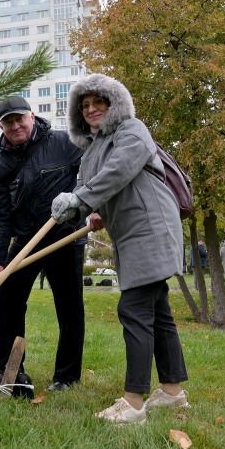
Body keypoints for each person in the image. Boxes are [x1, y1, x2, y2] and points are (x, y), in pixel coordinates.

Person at [52, 73, 188, 425]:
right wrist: (84, 209)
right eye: (84, 105)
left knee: (134, 309)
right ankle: (173, 394)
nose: (92, 109)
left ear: (114, 104)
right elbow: (88, 187)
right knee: (158, 312)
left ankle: (133, 404)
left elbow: (121, 169)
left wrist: (82, 198)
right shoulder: (91, 150)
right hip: (128, 233)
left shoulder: (132, 129)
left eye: (99, 102)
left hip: (151, 227)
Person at [0, 96, 88, 393]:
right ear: (1, 126)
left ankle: (66, 377)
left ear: (31, 116)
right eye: (8, 122)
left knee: (69, 308)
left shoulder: (63, 142)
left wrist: (82, 201)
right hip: (26, 241)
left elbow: (91, 173)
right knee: (9, 301)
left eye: (20, 119)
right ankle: (10, 370)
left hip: (64, 238)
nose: (16, 125)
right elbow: (0, 215)